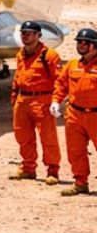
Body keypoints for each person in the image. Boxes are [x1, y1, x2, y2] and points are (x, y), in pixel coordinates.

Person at [8, 21, 62, 183]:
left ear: (39, 36)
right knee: (23, 136)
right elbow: (18, 76)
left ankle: (52, 171)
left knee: (48, 137)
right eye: (24, 33)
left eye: (31, 33)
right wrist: (14, 96)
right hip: (22, 100)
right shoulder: (21, 53)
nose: (26, 36)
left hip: (42, 100)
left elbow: (59, 79)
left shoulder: (49, 55)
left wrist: (56, 101)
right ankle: (28, 168)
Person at [51, 28, 97, 197]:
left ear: (94, 45)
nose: (82, 45)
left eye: (86, 43)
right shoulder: (72, 65)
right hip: (74, 114)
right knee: (75, 151)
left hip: (96, 115)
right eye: (79, 42)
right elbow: (61, 84)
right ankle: (80, 183)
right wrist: (56, 100)